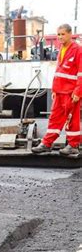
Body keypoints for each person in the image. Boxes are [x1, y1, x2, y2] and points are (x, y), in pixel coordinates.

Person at [32, 24, 82, 156]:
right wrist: (54, 90)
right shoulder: (61, 49)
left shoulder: (78, 50)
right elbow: (59, 71)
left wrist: (78, 92)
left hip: (71, 93)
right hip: (59, 91)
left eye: (63, 34)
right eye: (58, 34)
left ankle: (73, 145)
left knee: (72, 119)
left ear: (70, 34)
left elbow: (81, 73)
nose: (60, 37)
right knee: (54, 118)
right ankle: (47, 143)